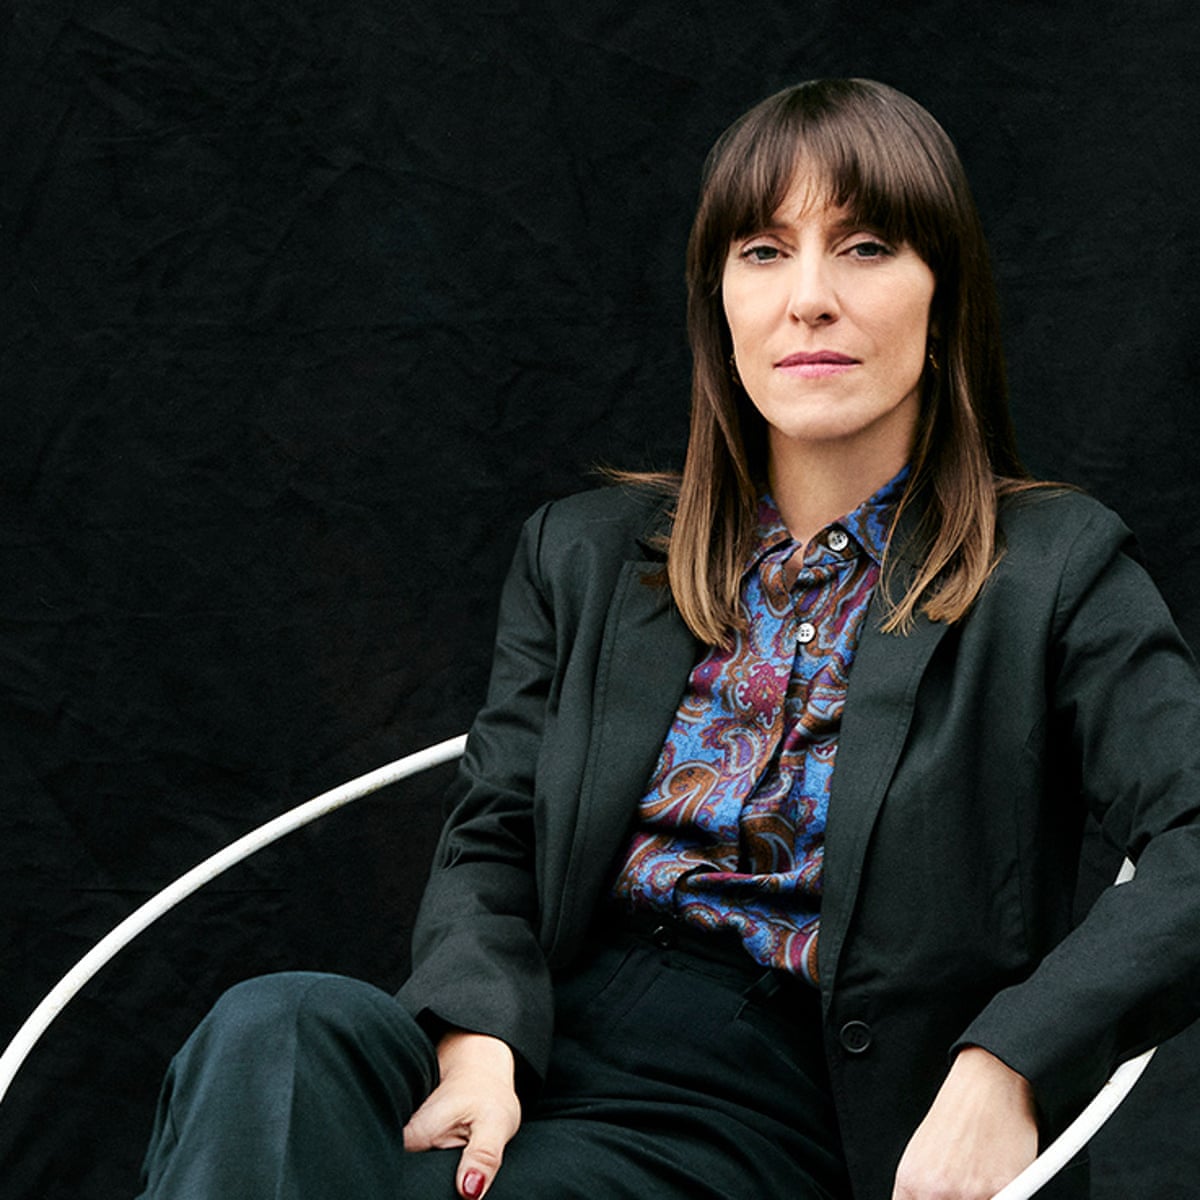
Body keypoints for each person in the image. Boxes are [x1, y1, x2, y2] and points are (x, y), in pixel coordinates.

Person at [135, 79, 1200, 1200]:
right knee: (274, 1028)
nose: (810, 299)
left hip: (766, 1106)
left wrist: (1009, 1062)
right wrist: (480, 1036)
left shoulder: (1051, 571)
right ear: (719, 303)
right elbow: (496, 833)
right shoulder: (588, 552)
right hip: (538, 1048)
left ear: (946, 297)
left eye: (866, 247)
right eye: (764, 252)